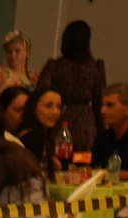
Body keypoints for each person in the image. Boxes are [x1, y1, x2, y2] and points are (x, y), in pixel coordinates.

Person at [35, 20, 105, 154]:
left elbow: (41, 93)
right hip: (85, 121)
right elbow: (98, 102)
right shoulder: (95, 67)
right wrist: (102, 131)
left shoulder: (54, 66)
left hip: (59, 116)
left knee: (58, 154)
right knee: (83, 158)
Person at [27, 87, 77, 179]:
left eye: (59, 107)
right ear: (33, 107)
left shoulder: (45, 134)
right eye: (48, 106)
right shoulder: (31, 137)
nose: (55, 112)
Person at [0, 30, 35, 106]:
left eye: (17, 51)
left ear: (27, 53)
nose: (13, 55)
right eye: (9, 51)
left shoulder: (33, 77)